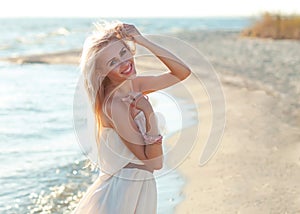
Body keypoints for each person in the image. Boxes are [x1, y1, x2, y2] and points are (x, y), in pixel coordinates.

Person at [73, 21, 191, 214]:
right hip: (124, 193)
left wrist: (143, 40)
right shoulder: (115, 105)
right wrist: (148, 112)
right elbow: (154, 163)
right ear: (102, 72)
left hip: (138, 186)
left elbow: (182, 72)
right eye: (112, 62)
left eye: (123, 53)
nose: (124, 63)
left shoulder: (136, 85)